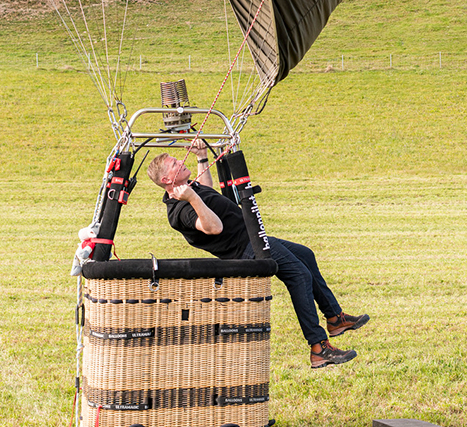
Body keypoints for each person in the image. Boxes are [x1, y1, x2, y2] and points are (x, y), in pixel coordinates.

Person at [147, 139, 369, 368]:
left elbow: (209, 192)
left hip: (253, 236)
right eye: (175, 163)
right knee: (299, 276)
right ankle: (318, 347)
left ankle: (335, 319)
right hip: (245, 249)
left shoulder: (187, 190)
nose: (180, 161)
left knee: (306, 255)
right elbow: (214, 227)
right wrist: (193, 198)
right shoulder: (180, 210)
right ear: (166, 180)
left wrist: (202, 156)